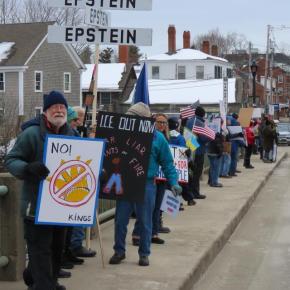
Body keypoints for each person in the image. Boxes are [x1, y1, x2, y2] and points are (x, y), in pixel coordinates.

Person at [5, 91, 74, 290]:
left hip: (61, 206)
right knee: (40, 250)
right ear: (46, 112)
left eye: (62, 107)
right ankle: (45, 285)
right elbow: (11, 160)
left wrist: (97, 173)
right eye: (55, 107)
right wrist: (27, 168)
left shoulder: (71, 133)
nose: (59, 110)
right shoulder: (31, 134)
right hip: (35, 206)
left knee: (55, 250)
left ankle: (41, 278)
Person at [109, 102, 181, 267]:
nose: (130, 119)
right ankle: (119, 251)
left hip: (146, 183)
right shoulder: (121, 133)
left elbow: (168, 163)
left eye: (133, 116)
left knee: (145, 220)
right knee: (120, 220)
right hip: (125, 181)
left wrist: (174, 182)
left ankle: (144, 253)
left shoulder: (158, 138)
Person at [185, 106, 212, 199]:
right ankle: (195, 193)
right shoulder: (199, 123)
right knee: (197, 173)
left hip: (190, 148)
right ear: (203, 114)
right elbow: (204, 138)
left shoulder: (189, 121)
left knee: (191, 173)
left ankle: (189, 192)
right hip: (199, 150)